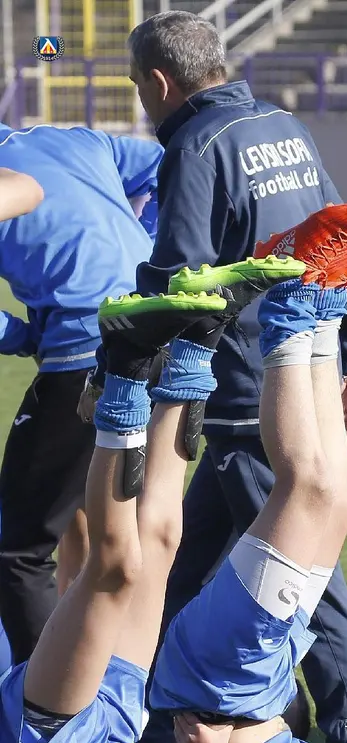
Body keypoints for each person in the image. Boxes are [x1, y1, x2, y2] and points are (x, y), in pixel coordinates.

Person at [0, 251, 326, 743]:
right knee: (163, 538)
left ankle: (124, 366)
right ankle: (198, 341)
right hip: (116, 737)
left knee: (115, 568)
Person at [125, 10, 347, 743]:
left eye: (138, 87)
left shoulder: (196, 146)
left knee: (311, 586)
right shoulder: (282, 126)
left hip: (247, 395)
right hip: (299, 373)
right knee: (177, 578)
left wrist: (129, 348)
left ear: (160, 83)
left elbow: (179, 275)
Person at [149, 203, 347, 743]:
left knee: (306, 489)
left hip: (223, 683)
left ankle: (291, 305)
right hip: (259, 676)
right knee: (339, 494)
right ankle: (321, 297)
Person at [0, 122, 161, 666]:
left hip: (83, 354)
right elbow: (169, 166)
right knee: (103, 527)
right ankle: (113, 677)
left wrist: (22, 337)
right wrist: (149, 248)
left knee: (18, 551)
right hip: (157, 336)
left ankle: (44, 704)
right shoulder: (78, 139)